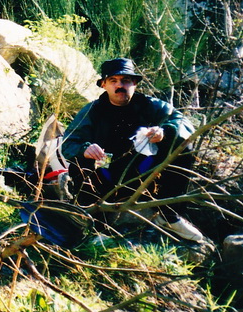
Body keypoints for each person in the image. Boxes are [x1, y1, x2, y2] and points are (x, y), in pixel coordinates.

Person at [61, 58, 206, 242]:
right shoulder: (93, 111)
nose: (120, 86)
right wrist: (85, 149)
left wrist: (164, 132)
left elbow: (183, 123)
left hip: (144, 175)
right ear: (104, 84)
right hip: (105, 174)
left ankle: (168, 216)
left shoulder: (150, 106)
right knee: (79, 160)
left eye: (126, 80)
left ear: (135, 83)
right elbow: (68, 143)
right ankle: (95, 225)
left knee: (183, 146)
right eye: (113, 81)